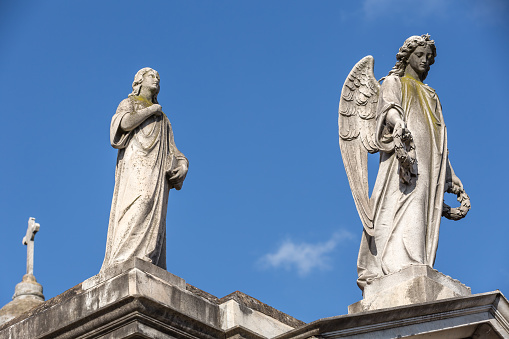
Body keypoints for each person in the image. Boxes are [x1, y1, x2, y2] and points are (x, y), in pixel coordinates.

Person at [356, 35, 467, 289]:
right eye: (421, 55)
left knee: (425, 202)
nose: (426, 61)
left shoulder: (431, 94)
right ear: (407, 56)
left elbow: (440, 139)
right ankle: (402, 262)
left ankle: (419, 260)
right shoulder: (393, 82)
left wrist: (450, 175)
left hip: (431, 159)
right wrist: (398, 123)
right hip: (405, 155)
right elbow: (388, 108)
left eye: (430, 58)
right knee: (410, 200)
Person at [101, 67, 188, 271]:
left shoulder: (163, 120)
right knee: (139, 202)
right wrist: (150, 110)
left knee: (152, 209)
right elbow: (123, 124)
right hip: (136, 166)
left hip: (157, 173)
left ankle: (147, 258)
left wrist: (183, 165)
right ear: (139, 81)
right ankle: (123, 259)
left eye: (158, 77)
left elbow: (174, 151)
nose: (156, 79)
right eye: (152, 76)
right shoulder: (130, 103)